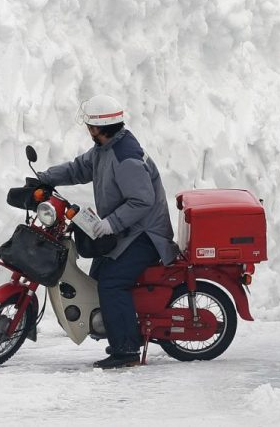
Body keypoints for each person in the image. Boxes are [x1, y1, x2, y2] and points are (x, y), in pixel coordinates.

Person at [35, 95, 176, 369]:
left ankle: (126, 351)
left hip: (147, 235)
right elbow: (80, 168)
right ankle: (117, 326)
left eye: (89, 124)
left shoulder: (125, 158)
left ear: (97, 128)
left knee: (112, 281)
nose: (88, 128)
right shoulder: (106, 148)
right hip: (130, 230)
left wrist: (111, 223)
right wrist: (45, 177)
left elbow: (142, 200)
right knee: (98, 275)